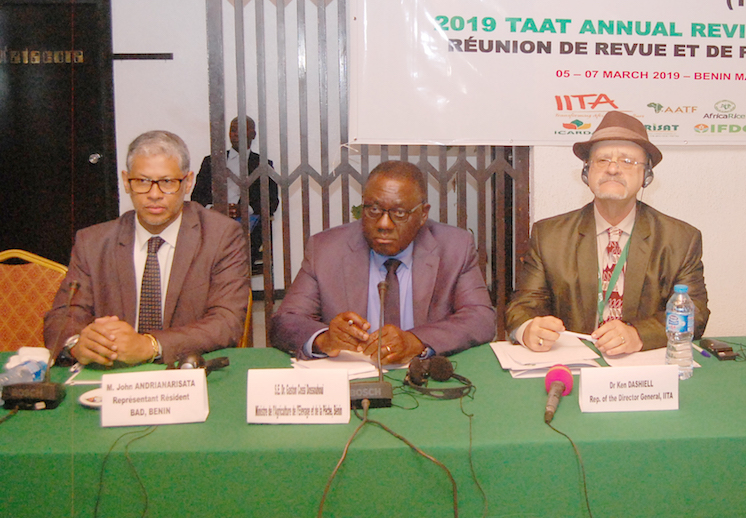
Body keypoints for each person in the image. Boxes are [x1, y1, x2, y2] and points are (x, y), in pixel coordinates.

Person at [505, 111, 709, 356]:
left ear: (646, 175)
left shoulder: (680, 239)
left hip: (644, 368)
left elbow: (695, 313)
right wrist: (527, 329)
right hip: (572, 363)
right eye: (602, 160)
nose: (613, 169)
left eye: (627, 161)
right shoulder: (549, 236)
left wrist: (639, 335)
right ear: (586, 172)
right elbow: (523, 306)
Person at [43, 131, 250, 366]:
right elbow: (62, 317)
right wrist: (77, 343)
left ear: (188, 181)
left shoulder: (220, 236)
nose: (154, 195)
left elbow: (227, 321)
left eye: (167, 182)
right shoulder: (93, 242)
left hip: (186, 373)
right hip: (111, 375)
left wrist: (150, 345)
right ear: (125, 181)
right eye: (142, 181)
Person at [270, 161, 495, 364]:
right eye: (374, 210)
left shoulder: (455, 247)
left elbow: (481, 318)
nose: (384, 224)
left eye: (399, 213)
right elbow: (286, 321)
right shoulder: (326, 249)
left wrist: (416, 341)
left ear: (423, 214)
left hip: (423, 378)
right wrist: (324, 338)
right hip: (352, 380)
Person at [191, 116, 279, 265]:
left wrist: (245, 210)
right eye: (233, 130)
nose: (236, 133)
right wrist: (214, 208)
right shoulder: (211, 161)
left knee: (238, 251)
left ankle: (235, 283)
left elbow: (272, 201)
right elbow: (196, 197)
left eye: (242, 130)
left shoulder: (263, 164)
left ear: (253, 135)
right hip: (214, 222)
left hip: (247, 226)